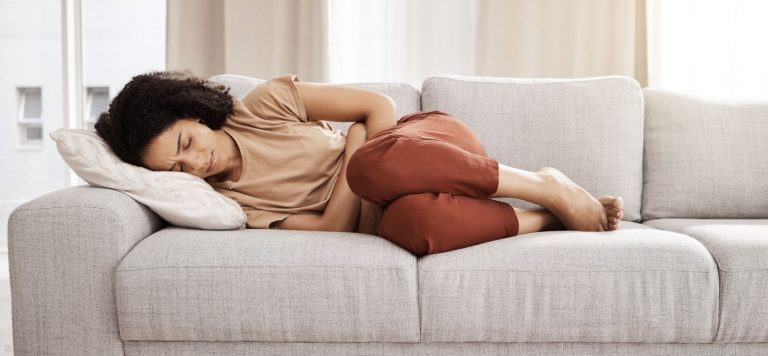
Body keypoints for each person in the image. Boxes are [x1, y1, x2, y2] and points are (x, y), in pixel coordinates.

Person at [95, 70, 624, 257]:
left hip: (424, 145)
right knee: (412, 227)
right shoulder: (236, 205)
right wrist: (350, 147)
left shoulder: (262, 105)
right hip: (397, 203)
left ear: (194, 112)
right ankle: (550, 218)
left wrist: (359, 154)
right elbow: (334, 227)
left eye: (186, 142)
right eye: (178, 169)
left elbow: (378, 109)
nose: (195, 165)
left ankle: (542, 186)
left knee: (372, 168)